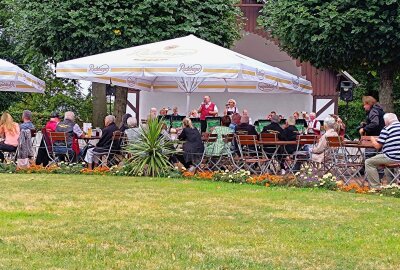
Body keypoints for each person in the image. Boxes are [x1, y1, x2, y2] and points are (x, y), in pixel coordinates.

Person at [365, 113, 400, 189]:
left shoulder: (387, 128)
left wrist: (372, 139)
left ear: (387, 121)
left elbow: (377, 146)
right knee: (389, 167)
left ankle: (376, 187)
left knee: (368, 162)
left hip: (391, 157)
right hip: (397, 158)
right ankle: (392, 187)